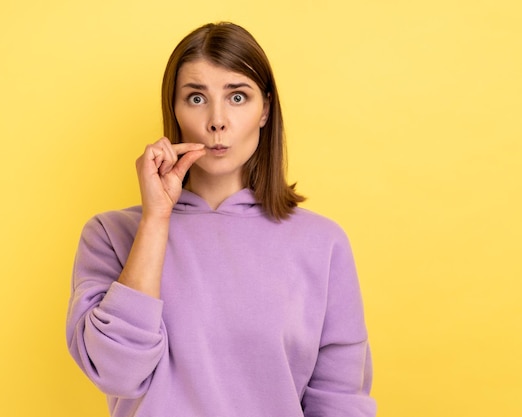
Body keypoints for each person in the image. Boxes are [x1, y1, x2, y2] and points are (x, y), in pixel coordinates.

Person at [66, 22, 376, 417]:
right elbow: (116, 372)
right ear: (174, 110)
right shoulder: (111, 236)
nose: (217, 120)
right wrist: (156, 219)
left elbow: (340, 402)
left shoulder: (323, 243)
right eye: (196, 98)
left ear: (265, 110)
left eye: (237, 97)